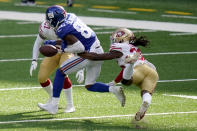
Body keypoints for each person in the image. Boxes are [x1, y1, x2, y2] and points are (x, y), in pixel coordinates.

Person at [39, 5, 126, 114]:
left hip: (88, 54)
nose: (48, 23)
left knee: (60, 72)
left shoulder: (62, 30)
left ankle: (54, 105)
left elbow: (79, 48)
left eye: (50, 20)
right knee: (90, 85)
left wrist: (59, 50)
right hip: (97, 47)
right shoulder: (70, 16)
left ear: (55, 19)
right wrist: (53, 43)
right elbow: (73, 39)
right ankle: (113, 89)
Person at [79, 28, 159, 121]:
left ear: (121, 39)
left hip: (137, 69)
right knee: (146, 92)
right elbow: (123, 70)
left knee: (126, 81)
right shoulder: (134, 48)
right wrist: (114, 82)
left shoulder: (119, 47)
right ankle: (146, 101)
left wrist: (83, 54)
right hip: (152, 72)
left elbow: (100, 57)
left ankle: (131, 63)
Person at [30, 19, 85, 113]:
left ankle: (70, 105)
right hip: (55, 51)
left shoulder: (70, 26)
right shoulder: (45, 26)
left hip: (68, 51)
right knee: (42, 77)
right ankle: (52, 100)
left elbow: (81, 47)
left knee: (63, 74)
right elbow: (37, 43)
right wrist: (34, 60)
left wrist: (81, 68)